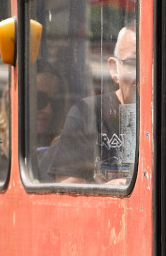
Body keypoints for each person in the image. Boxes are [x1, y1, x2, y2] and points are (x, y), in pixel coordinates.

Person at [42, 26, 137, 184]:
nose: (146, 74)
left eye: (157, 63)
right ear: (114, 69)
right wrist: (108, 189)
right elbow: (68, 187)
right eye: (132, 64)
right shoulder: (88, 113)